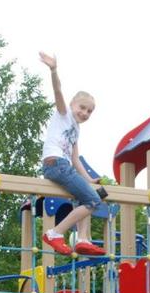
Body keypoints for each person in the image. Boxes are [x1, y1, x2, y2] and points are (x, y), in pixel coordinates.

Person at [37, 52, 106, 257]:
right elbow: (57, 90)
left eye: (89, 111)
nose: (84, 113)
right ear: (72, 105)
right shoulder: (63, 114)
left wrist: (89, 179)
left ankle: (83, 239)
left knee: (87, 195)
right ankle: (55, 233)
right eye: (82, 107)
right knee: (94, 201)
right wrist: (53, 70)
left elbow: (75, 158)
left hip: (63, 165)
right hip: (56, 163)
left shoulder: (76, 129)